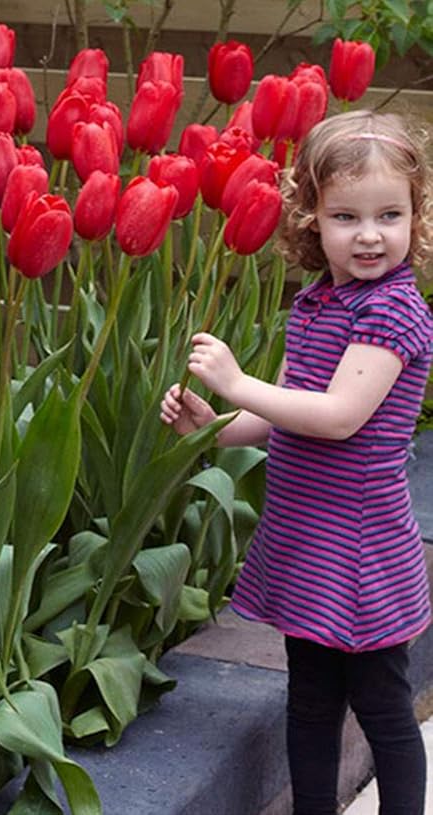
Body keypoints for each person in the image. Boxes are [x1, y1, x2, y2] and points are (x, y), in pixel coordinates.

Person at [160, 109, 433, 815]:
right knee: (309, 695)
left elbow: (338, 417)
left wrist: (233, 378)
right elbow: (281, 408)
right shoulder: (317, 301)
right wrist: (214, 426)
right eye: (345, 215)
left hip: (361, 546)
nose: (369, 234)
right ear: (310, 217)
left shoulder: (393, 313)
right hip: (309, 541)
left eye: (388, 214)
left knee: (380, 702)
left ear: (415, 215)